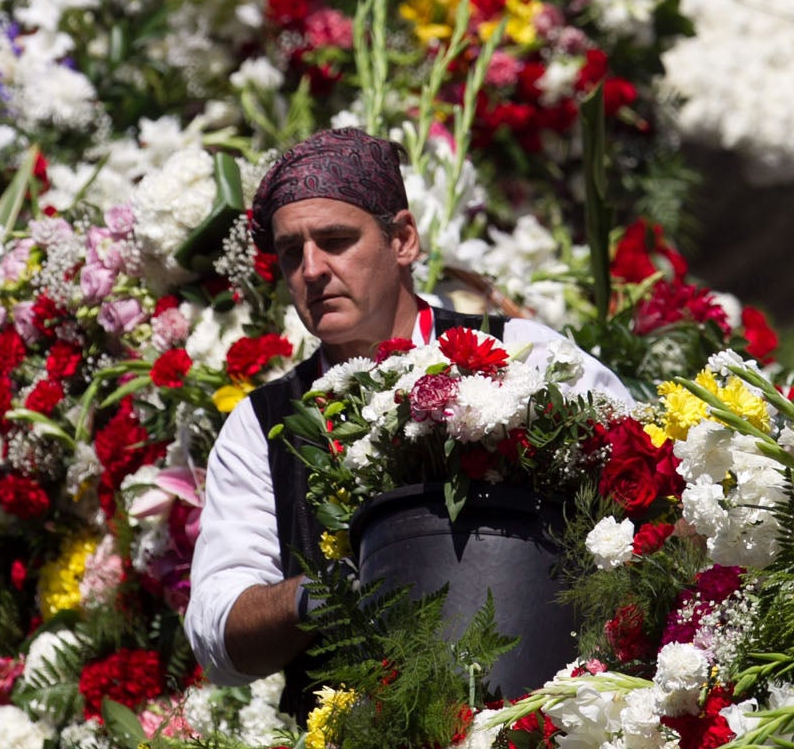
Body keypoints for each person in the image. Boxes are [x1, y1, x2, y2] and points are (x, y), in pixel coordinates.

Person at [184, 127, 629, 717]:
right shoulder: (261, 426)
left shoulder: (527, 354)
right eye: (291, 252)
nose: (312, 269)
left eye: (336, 240)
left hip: (545, 727)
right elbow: (219, 635)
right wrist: (326, 593)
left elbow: (642, 486)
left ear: (403, 239)